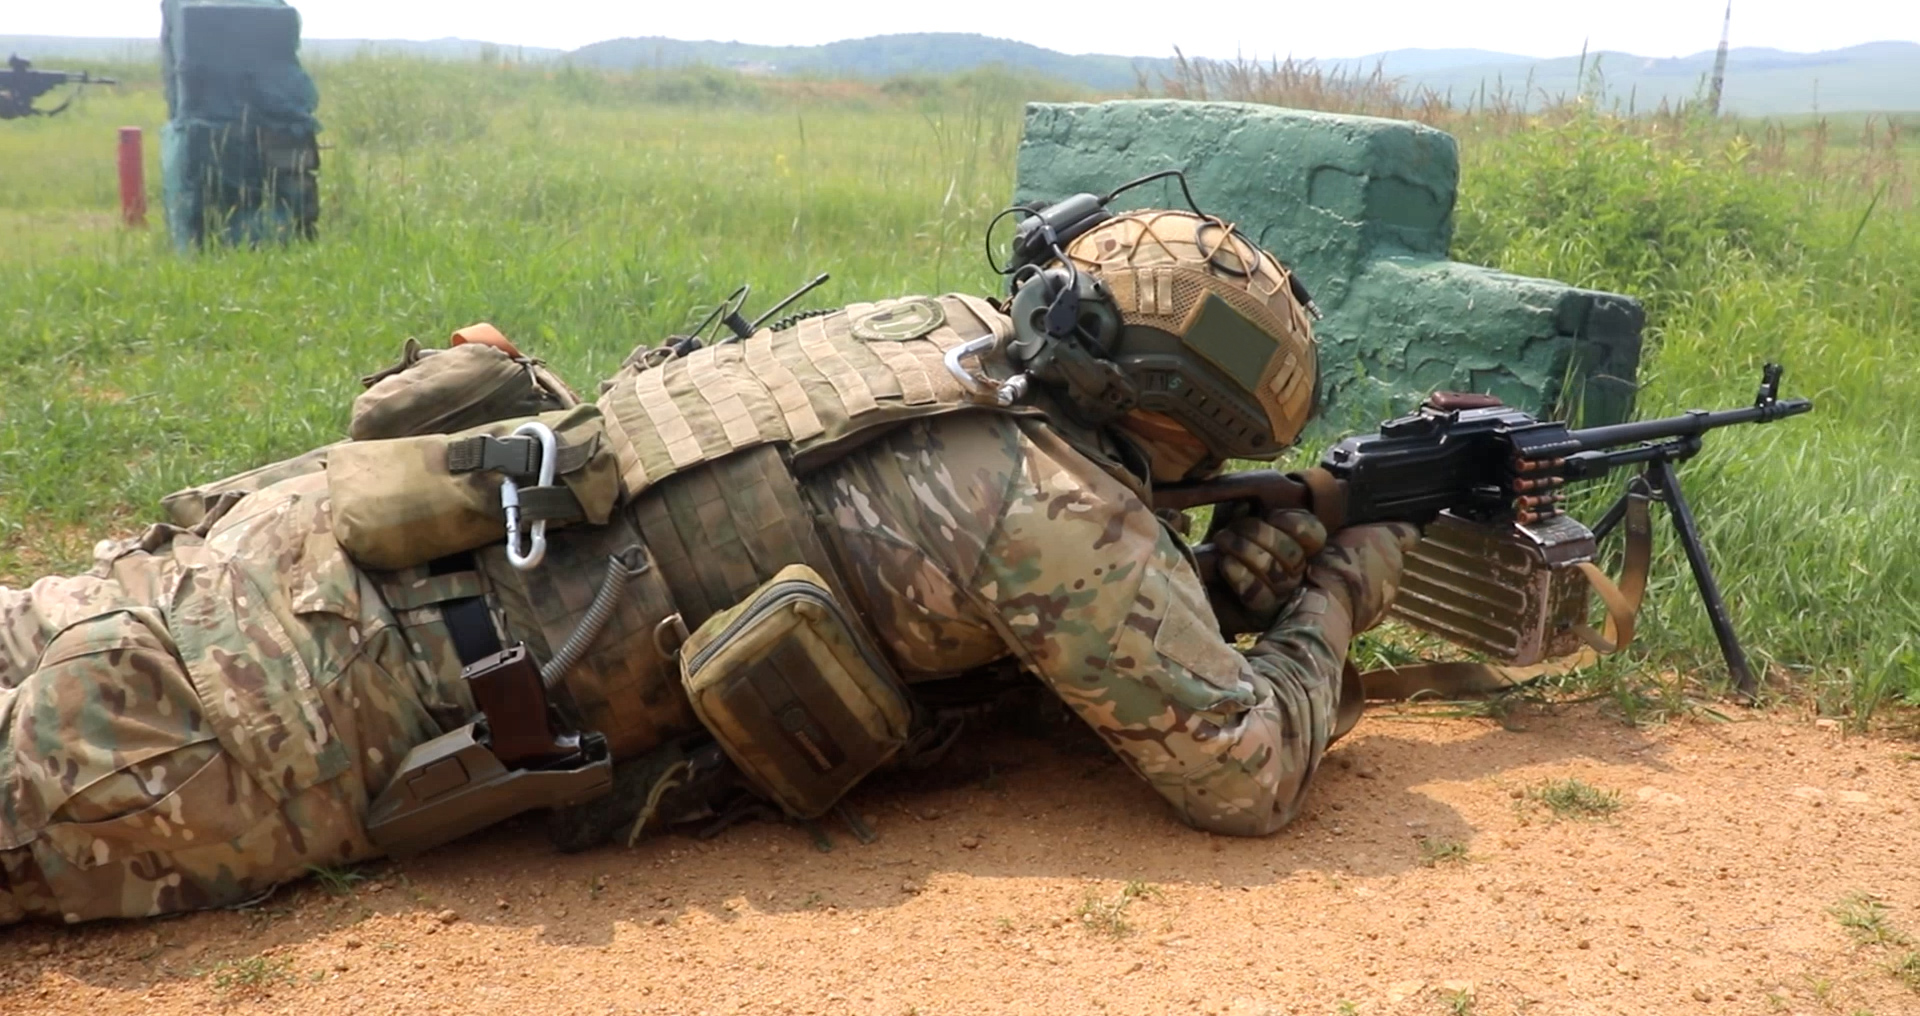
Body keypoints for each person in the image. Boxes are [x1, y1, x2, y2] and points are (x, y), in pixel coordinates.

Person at [0, 209, 1418, 926]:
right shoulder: (1062, 516)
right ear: (1202, 423)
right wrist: (1343, 581)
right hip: (264, 725)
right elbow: (1238, 772)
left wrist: (1220, 567)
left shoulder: (929, 326)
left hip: (280, 544)